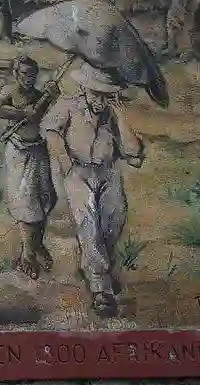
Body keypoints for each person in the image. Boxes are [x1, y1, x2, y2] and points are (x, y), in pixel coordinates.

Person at [42, 61, 146, 318]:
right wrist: (64, 163)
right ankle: (101, 288)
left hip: (108, 171)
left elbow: (133, 151)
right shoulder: (68, 105)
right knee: (88, 224)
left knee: (114, 220)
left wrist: (121, 117)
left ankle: (101, 271)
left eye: (106, 95)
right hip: (78, 172)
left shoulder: (113, 114)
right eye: (96, 93)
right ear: (85, 89)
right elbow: (50, 129)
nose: (100, 101)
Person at [0, 56, 62, 279]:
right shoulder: (9, 91)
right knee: (26, 202)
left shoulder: (40, 95)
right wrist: (22, 113)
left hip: (38, 149)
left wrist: (53, 97)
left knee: (47, 198)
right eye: (24, 74)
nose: (29, 79)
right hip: (18, 151)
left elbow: (52, 117)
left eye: (33, 75)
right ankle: (27, 255)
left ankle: (37, 244)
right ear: (15, 73)